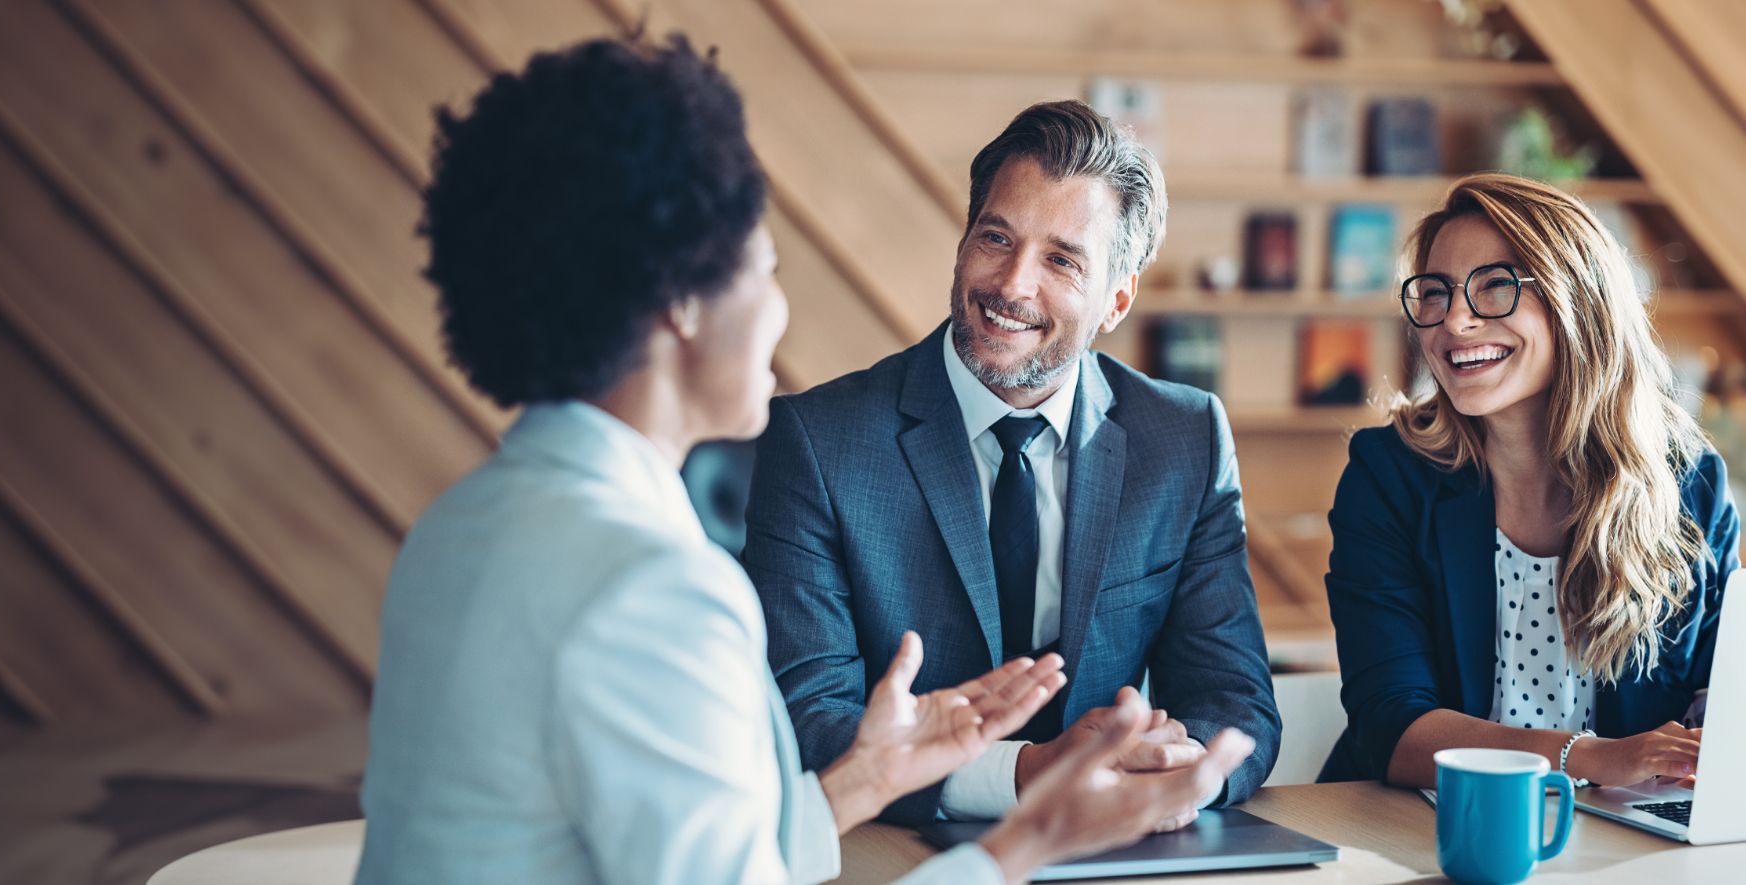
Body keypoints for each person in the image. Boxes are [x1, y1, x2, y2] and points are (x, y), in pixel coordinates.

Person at [354, 36, 1253, 884]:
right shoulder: (655, 592)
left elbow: (703, 845)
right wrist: (1031, 837)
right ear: (684, 305)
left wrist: (866, 776)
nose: (778, 314)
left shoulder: (455, 526)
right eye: (766, 268)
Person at [747, 100, 1280, 827]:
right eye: (996, 237)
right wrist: (1029, 774)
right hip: (891, 849)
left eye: (1061, 259)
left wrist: (1172, 771)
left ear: (1116, 300)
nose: (1012, 284)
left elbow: (1235, 699)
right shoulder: (819, 442)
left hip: (1121, 850)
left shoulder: (1185, 438)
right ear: (963, 241)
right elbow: (807, 719)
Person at [1318, 173, 1735, 788]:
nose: (1454, 322)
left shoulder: (1689, 485)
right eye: (1435, 293)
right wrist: (1588, 757)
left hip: (1622, 837)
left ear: (1579, 303)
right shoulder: (1389, 475)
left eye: (1494, 287)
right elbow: (1392, 725)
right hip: (1416, 825)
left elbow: (1724, 697)